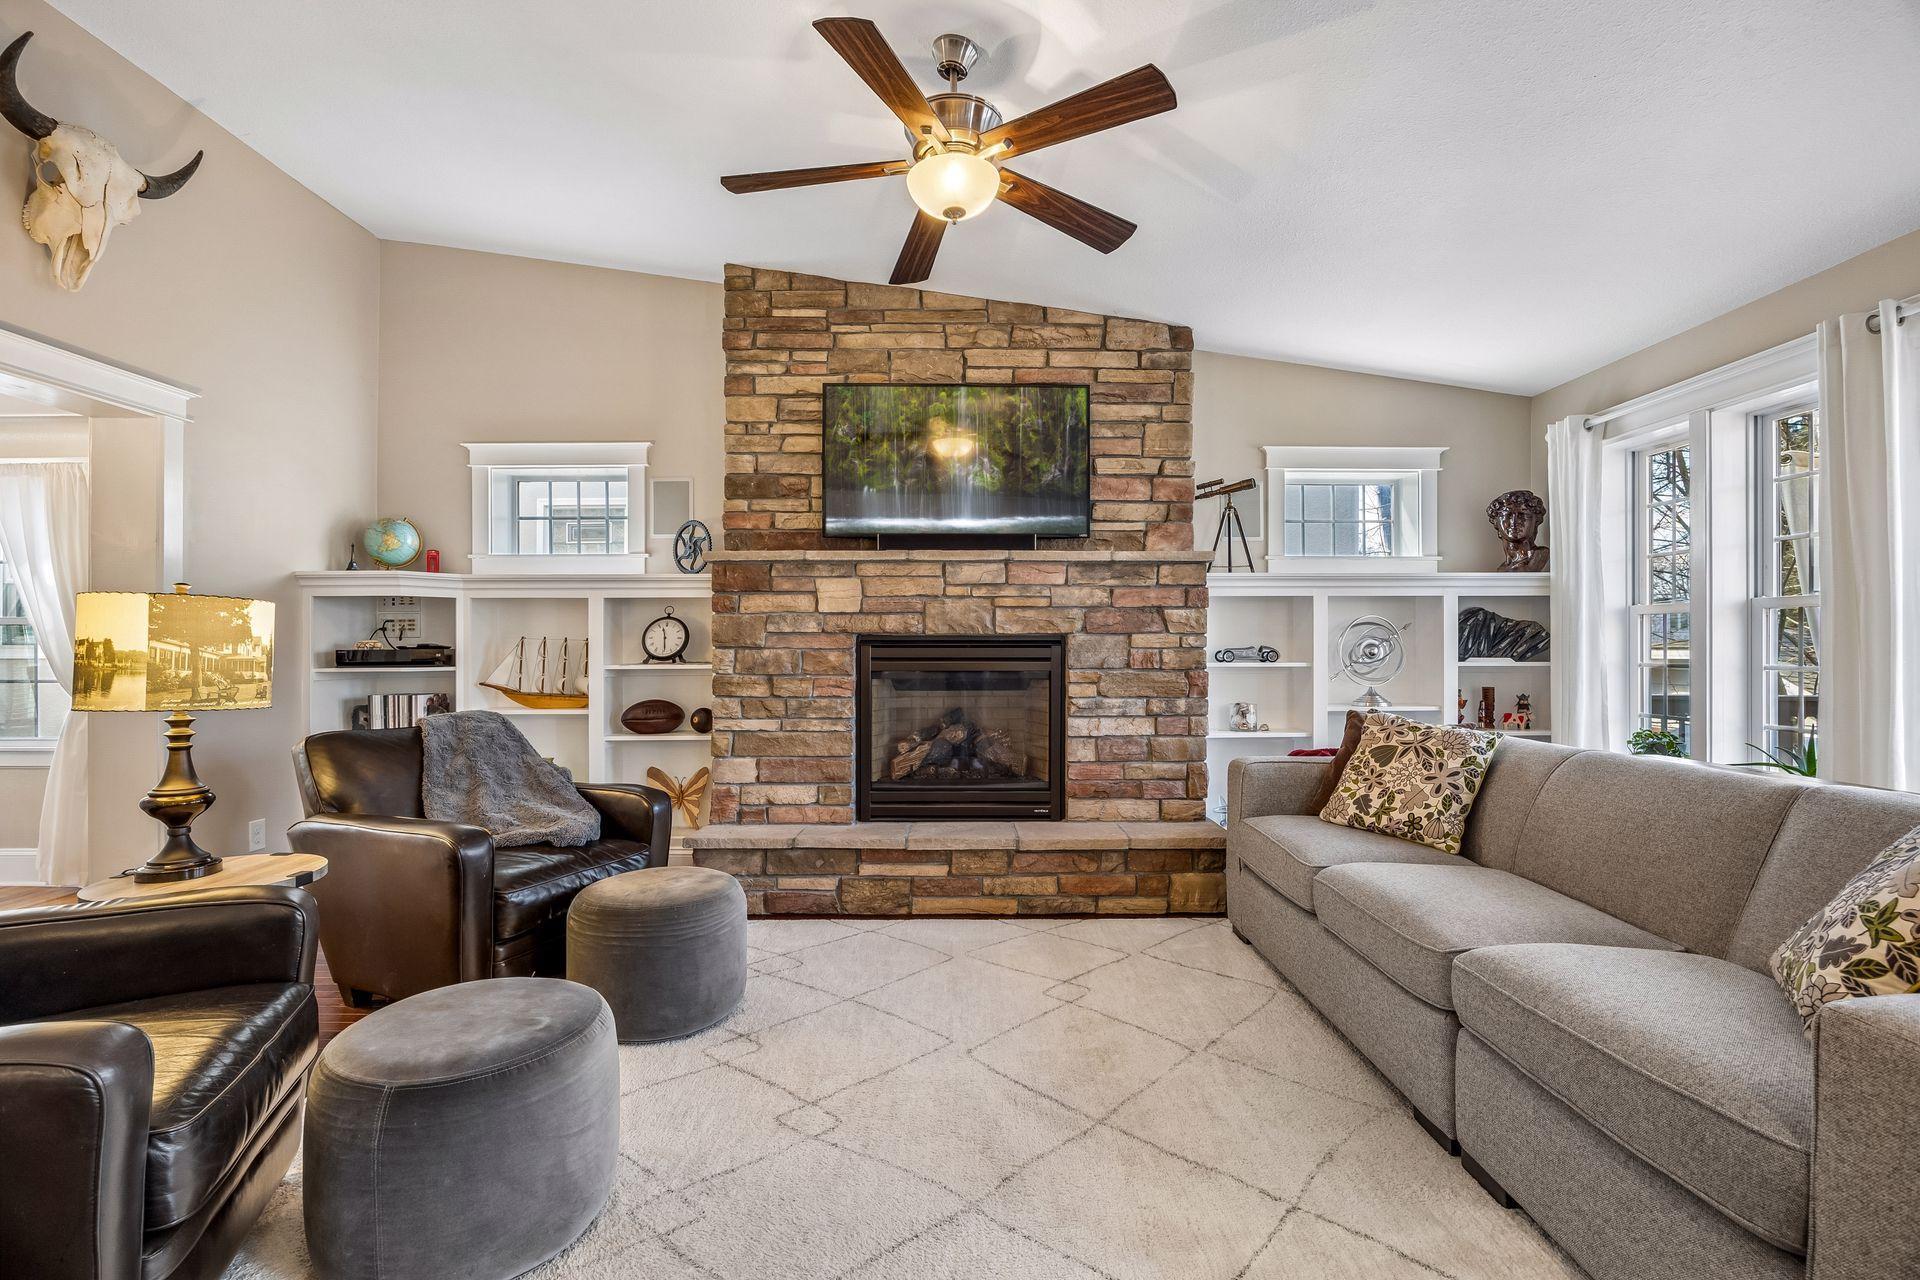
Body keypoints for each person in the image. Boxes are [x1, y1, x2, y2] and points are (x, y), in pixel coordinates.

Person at [1487, 489, 1549, 572]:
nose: (1514, 522)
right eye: (1507, 515)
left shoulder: (1539, 556)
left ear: (1536, 521)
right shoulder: (1504, 567)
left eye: (1523, 515)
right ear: (1496, 521)